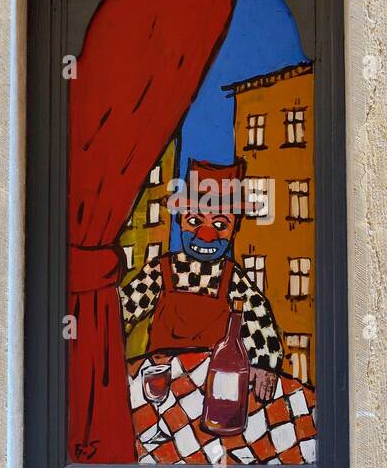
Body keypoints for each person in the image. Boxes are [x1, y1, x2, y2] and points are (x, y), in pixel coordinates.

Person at [121, 158, 283, 403]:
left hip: (212, 387)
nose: (206, 235)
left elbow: (258, 319)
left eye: (220, 224)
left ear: (235, 228)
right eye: (195, 221)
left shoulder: (233, 279)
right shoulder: (161, 270)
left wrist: (264, 365)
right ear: (180, 220)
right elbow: (122, 310)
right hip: (163, 387)